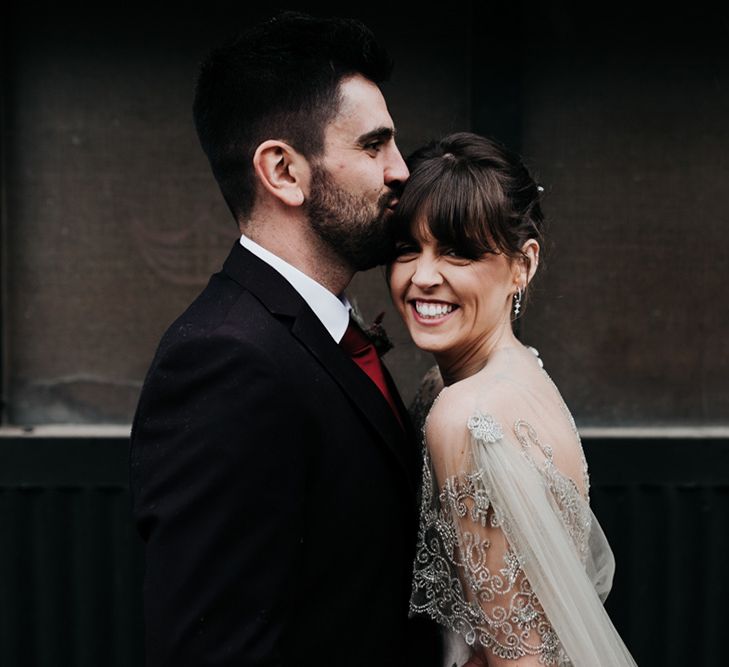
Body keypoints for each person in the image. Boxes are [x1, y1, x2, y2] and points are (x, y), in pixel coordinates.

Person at [130, 12, 440, 666]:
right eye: (373, 144)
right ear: (282, 171)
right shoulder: (225, 360)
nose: (400, 172)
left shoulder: (320, 330)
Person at [388, 132, 638, 666]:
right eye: (408, 247)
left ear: (522, 265)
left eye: (458, 251)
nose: (422, 277)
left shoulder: (466, 414)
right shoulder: (516, 371)